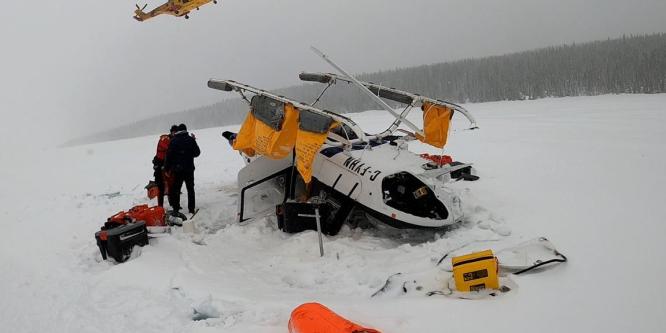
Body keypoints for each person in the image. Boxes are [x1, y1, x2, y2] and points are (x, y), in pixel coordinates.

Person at [165, 123, 201, 214]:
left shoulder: (173, 141)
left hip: (177, 170)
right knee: (190, 189)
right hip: (189, 169)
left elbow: (168, 156)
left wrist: (166, 169)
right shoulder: (190, 140)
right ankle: (191, 209)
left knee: (176, 189)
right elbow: (197, 153)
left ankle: (176, 209)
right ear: (185, 130)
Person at [152, 125, 178, 207]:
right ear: (171, 132)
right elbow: (168, 148)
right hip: (160, 166)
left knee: (171, 185)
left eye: (176, 132)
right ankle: (160, 206)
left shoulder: (175, 140)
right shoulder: (165, 138)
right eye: (173, 132)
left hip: (169, 166)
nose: (175, 133)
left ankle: (172, 204)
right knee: (161, 187)